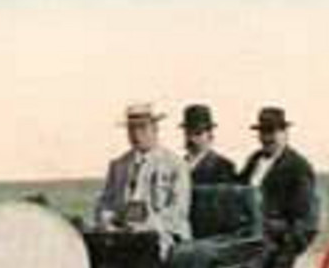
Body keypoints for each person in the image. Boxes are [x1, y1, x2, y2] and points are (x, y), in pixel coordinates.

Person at [237, 106, 319, 268]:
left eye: (273, 132)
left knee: (258, 234)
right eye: (264, 132)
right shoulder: (255, 160)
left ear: (284, 133)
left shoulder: (297, 167)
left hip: (283, 229)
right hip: (249, 225)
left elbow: (303, 213)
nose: (268, 138)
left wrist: (290, 237)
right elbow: (238, 189)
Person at [94, 102, 191, 253]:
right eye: (131, 129)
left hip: (165, 236)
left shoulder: (175, 165)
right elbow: (105, 202)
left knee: (147, 250)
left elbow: (177, 211)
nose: (136, 134)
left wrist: (145, 226)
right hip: (123, 235)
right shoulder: (119, 165)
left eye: (142, 128)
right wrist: (107, 221)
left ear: (155, 129)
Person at [181, 104, 238, 184]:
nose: (192, 138)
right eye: (188, 133)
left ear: (210, 135)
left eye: (198, 133)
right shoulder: (179, 164)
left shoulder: (223, 167)